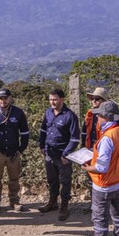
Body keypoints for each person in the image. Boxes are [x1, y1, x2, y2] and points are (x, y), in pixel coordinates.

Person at [79, 101, 119, 236]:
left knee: (100, 220)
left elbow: (101, 167)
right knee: (118, 212)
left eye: (99, 116)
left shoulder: (108, 138)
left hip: (104, 185)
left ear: (105, 118)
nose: (97, 119)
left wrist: (87, 167)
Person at [0, 87, 31, 214]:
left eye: (5, 98)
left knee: (14, 179)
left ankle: (14, 201)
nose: (3, 100)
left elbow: (25, 133)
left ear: (11, 98)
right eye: (1, 98)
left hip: (13, 153)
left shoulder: (18, 113)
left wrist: (21, 150)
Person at [38, 88, 80, 221]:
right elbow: (43, 130)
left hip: (63, 156)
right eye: (50, 99)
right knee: (52, 180)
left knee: (65, 181)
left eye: (55, 99)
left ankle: (64, 207)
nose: (52, 102)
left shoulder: (70, 116)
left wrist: (66, 153)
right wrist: (42, 146)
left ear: (62, 99)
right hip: (49, 154)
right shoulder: (48, 113)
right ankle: (53, 202)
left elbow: (75, 138)